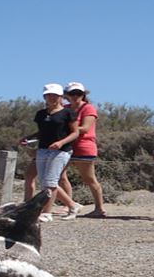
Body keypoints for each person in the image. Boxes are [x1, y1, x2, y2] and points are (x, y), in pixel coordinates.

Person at [19, 83, 80, 221]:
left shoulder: (68, 113)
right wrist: (29, 138)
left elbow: (75, 132)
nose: (51, 98)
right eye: (48, 95)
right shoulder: (41, 114)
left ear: (60, 97)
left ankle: (47, 212)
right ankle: (72, 205)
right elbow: (43, 132)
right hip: (43, 149)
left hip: (61, 151)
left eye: (54, 95)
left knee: (50, 182)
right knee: (45, 181)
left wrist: (61, 143)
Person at [64, 82, 107, 218]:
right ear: (66, 95)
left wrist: (63, 129)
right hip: (66, 145)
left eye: (78, 93)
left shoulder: (88, 108)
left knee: (89, 179)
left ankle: (99, 208)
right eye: (72, 94)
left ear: (83, 95)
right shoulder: (65, 108)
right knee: (59, 176)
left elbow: (85, 128)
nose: (75, 96)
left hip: (83, 146)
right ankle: (68, 205)